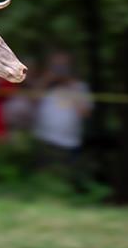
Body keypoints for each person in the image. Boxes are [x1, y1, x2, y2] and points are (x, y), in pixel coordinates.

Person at [33, 52, 93, 187]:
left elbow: (86, 113)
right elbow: (31, 101)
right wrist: (46, 80)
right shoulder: (45, 86)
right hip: (44, 139)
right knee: (43, 178)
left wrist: (71, 86)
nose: (59, 70)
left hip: (69, 142)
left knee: (66, 180)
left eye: (63, 67)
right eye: (56, 66)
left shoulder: (79, 87)